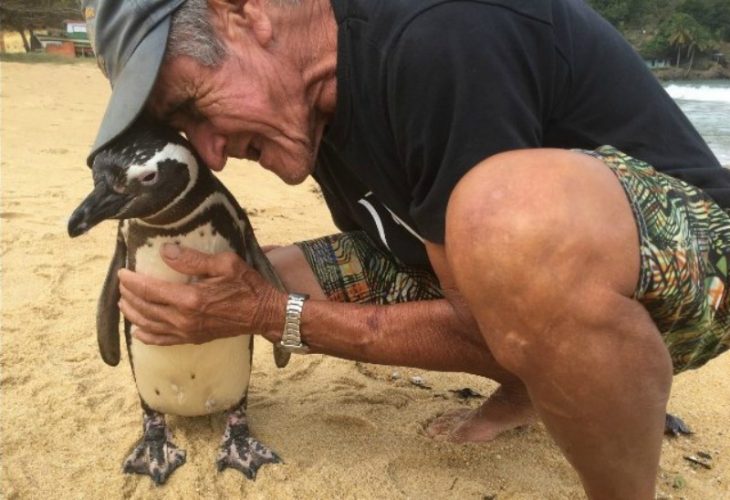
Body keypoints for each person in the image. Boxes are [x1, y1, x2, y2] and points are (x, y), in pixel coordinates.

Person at [82, 0, 730, 497]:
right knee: (251, 273)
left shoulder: (437, 31)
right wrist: (244, 297)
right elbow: (441, 264)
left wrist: (269, 316)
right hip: (508, 268)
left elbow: (484, 308)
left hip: (689, 265)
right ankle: (530, 388)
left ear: (244, 13)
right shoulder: (319, 100)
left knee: (506, 215)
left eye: (194, 106)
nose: (211, 152)